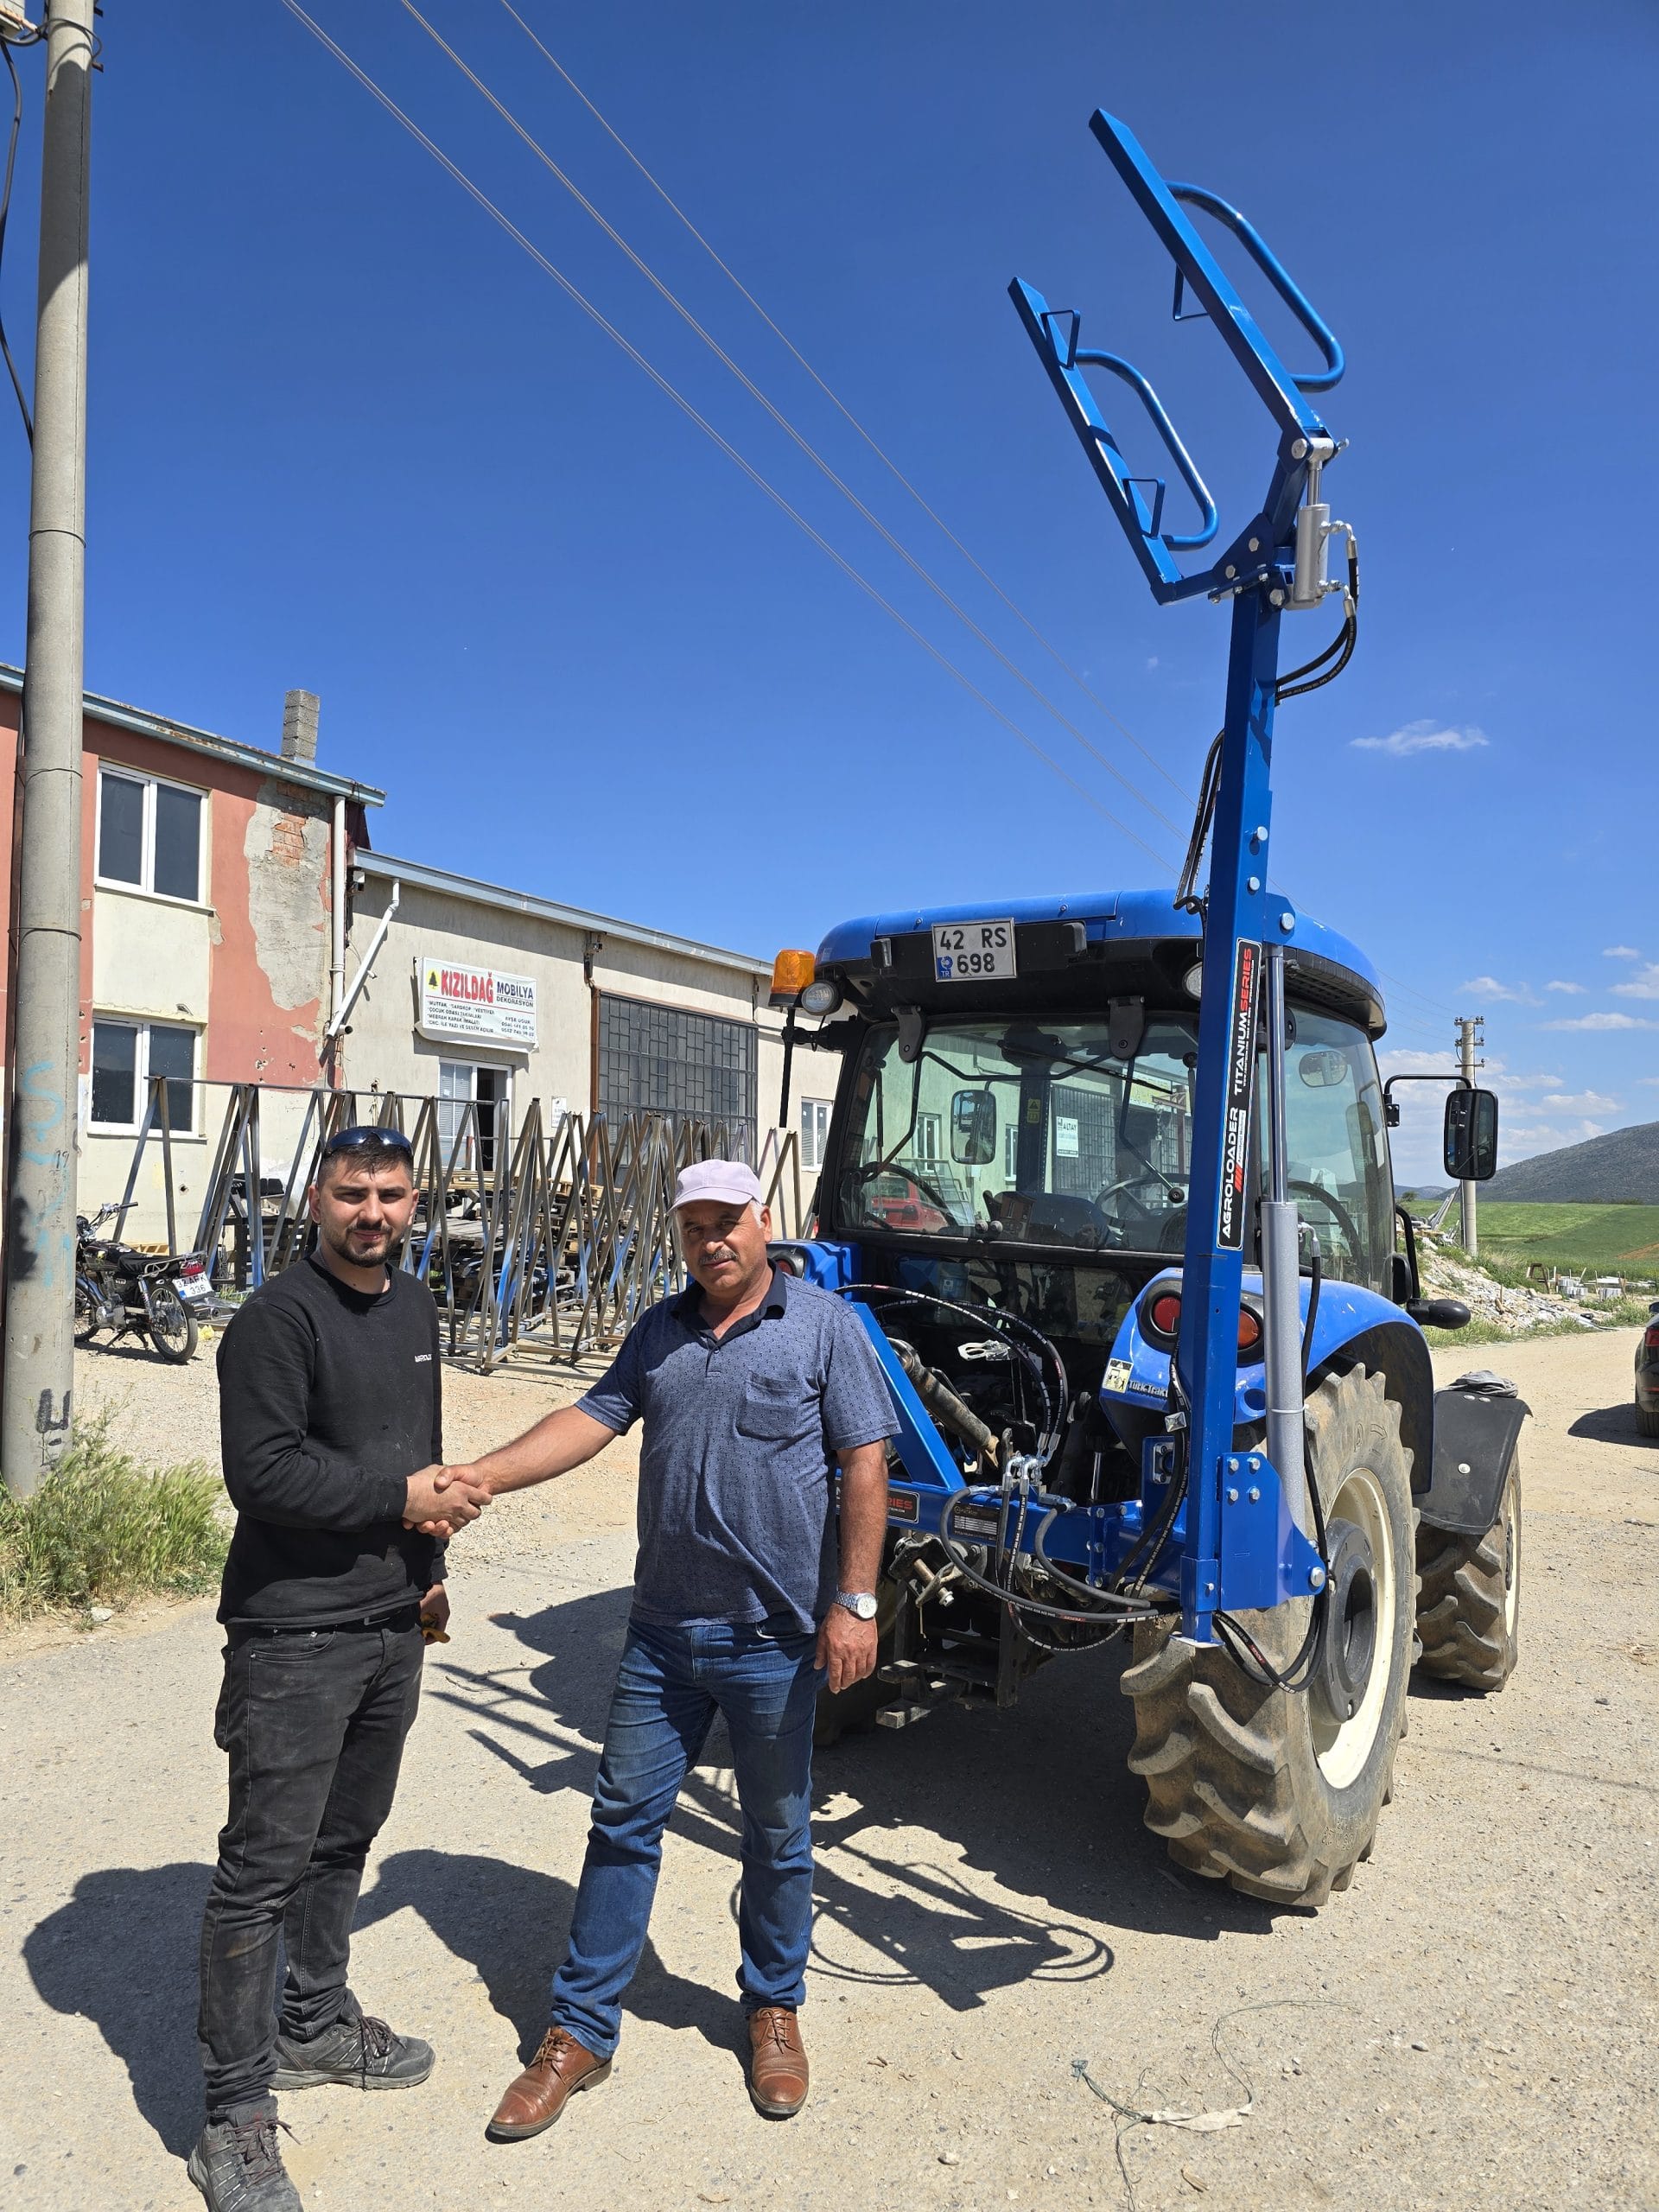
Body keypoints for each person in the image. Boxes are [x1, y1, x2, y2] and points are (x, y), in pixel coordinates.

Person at [440, 1159, 897, 2136]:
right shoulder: (659, 1329)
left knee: (777, 1833)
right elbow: (588, 1420)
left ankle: (773, 2008)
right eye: (694, 1227)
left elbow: (865, 1463)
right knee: (621, 1826)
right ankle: (579, 2030)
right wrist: (482, 1474)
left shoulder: (825, 1327)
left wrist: (855, 1601)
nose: (711, 1241)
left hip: (773, 1636)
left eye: (727, 1221)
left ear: (763, 1220)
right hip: (661, 1635)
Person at [189, 1127, 490, 2212]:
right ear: (316, 1198)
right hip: (294, 1636)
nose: (373, 1212)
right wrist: (402, 1500)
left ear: (415, 1203)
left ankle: (312, 2022)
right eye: (353, 1192)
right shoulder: (277, 1320)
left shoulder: (413, 1307)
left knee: (346, 1839)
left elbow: (415, 1447)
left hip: (392, 1622)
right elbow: (263, 1474)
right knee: (260, 1872)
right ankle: (232, 2113)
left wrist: (429, 1567)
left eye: (392, 1194)